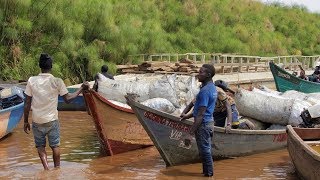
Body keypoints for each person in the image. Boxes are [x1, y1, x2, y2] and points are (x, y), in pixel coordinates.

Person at [23, 53, 89, 170]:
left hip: (37, 120)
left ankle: (47, 170)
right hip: (52, 120)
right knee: (55, 146)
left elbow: (27, 103)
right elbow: (68, 99)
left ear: (40, 66)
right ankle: (57, 170)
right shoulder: (57, 81)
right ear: (51, 66)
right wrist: (81, 88)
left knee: (40, 146)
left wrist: (25, 121)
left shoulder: (31, 80)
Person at [180, 64, 217, 177]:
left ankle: (209, 175)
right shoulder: (212, 87)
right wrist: (188, 116)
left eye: (201, 72)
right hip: (209, 123)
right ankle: (206, 173)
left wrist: (189, 134)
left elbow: (201, 115)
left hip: (203, 125)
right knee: (205, 150)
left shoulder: (204, 91)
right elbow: (202, 110)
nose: (198, 74)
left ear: (208, 75)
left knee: (205, 151)